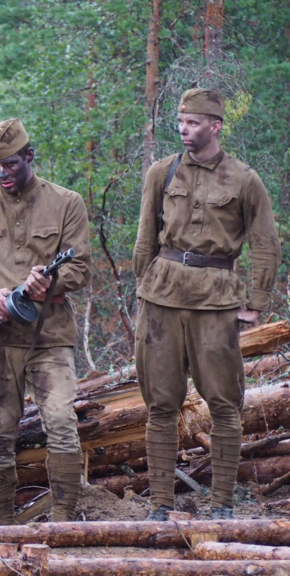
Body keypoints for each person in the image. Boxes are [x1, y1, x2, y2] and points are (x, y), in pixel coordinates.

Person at [133, 88, 280, 520]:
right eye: (180, 121)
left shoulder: (244, 179)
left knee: (224, 403)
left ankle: (222, 503)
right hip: (161, 296)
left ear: (215, 126)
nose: (183, 129)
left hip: (216, 301)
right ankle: (160, 504)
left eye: (193, 122)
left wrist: (255, 303)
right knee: (161, 403)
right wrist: (143, 286)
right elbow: (145, 235)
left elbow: (266, 244)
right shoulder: (162, 172)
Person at [0, 119, 92, 524]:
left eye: (10, 164)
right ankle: (1, 526)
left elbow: (80, 269)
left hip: (50, 335)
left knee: (61, 421)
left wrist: (51, 282)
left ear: (29, 156)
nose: (2, 174)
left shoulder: (67, 203)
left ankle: (63, 519)